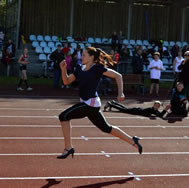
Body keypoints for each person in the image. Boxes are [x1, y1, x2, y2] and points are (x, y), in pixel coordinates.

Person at [57, 47, 143, 159]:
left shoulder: (97, 68)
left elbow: (118, 76)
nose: (81, 57)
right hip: (88, 104)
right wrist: (63, 70)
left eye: (84, 55)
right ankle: (133, 141)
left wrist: (120, 93)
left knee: (63, 116)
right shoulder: (79, 68)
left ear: (91, 57)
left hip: (90, 104)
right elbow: (66, 81)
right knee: (106, 128)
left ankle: (68, 148)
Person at [104, 100, 170, 117]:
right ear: (154, 105)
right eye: (156, 105)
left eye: (158, 106)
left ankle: (114, 103)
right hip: (135, 111)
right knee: (122, 110)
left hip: (136, 110)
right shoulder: (152, 110)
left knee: (124, 108)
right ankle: (111, 104)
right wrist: (165, 110)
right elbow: (159, 115)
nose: (157, 106)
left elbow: (159, 114)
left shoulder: (155, 110)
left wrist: (165, 110)